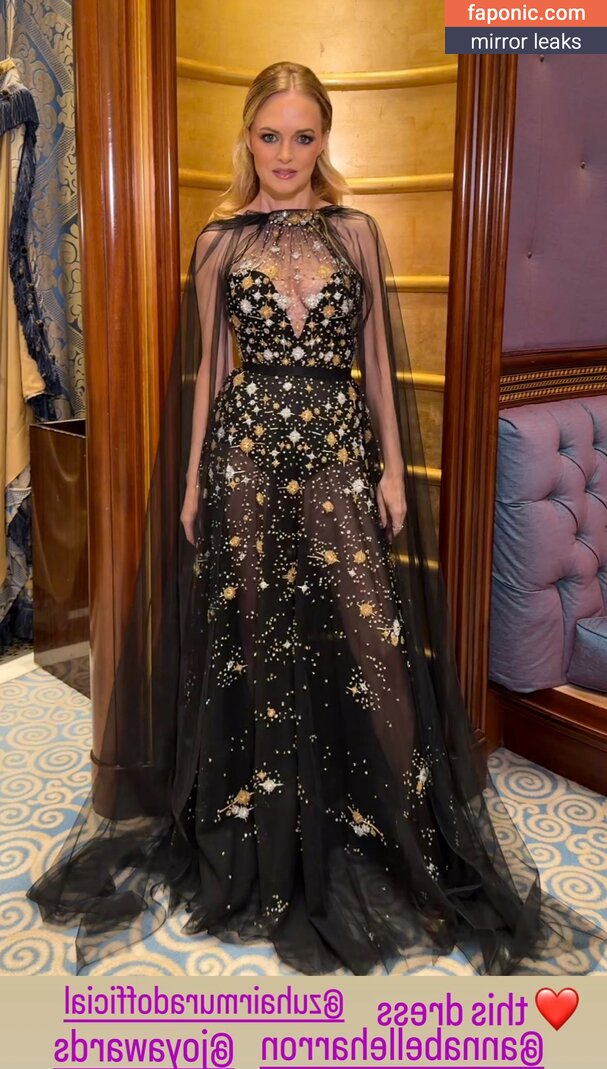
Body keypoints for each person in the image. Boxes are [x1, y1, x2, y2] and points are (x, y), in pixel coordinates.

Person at [27, 61, 607, 976]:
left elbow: (374, 358)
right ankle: (263, 827)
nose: (286, 153)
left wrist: (392, 472)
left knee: (367, 640)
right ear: (248, 139)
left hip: (338, 451)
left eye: (302, 136)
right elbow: (210, 374)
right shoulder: (219, 241)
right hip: (244, 454)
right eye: (270, 135)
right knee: (257, 638)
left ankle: (383, 823)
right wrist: (193, 482)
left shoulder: (356, 233)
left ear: (323, 139)